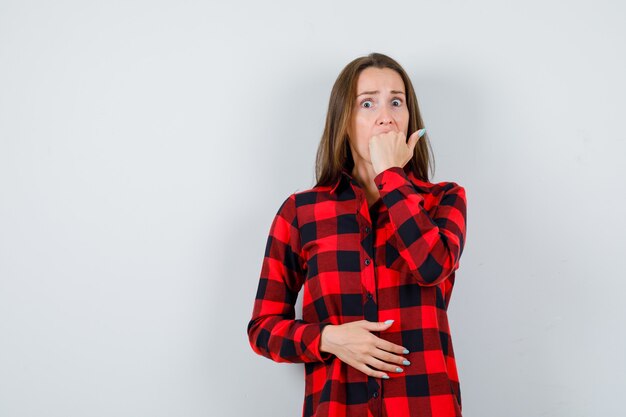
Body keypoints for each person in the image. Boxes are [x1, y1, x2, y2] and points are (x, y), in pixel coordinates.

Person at [247, 52, 468, 417]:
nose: (386, 116)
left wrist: (390, 175)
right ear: (344, 121)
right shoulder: (300, 212)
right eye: (368, 103)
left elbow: (431, 267)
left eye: (397, 102)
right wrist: (327, 338)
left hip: (425, 406)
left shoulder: (444, 199)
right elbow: (263, 329)